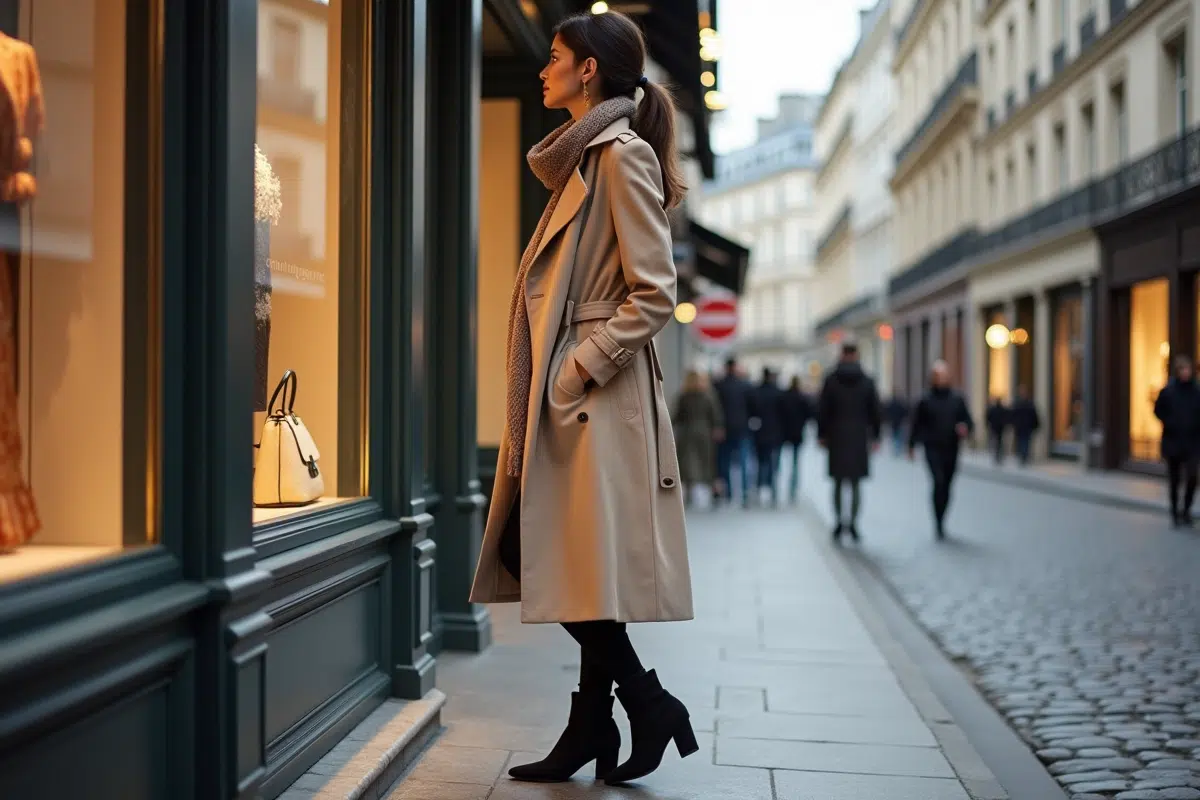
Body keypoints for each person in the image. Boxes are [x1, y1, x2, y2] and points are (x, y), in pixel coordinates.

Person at [468, 11, 698, 786]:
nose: (544, 68)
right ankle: (593, 726)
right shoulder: (583, 160)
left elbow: (655, 291)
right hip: (574, 398)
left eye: (556, 57)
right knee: (578, 565)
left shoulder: (619, 155)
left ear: (589, 70)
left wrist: (577, 369)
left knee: (534, 552)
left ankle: (646, 702)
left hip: (592, 397)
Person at [817, 343, 882, 542]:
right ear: (856, 355)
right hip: (858, 438)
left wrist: (822, 434)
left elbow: (822, 410)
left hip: (836, 437)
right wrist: (876, 436)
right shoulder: (867, 381)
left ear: (842, 355)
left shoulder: (831, 380)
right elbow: (876, 411)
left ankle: (839, 521)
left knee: (837, 483)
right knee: (854, 484)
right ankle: (853, 523)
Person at [908, 360, 974, 539]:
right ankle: (937, 522)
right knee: (938, 481)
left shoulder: (957, 399)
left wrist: (964, 427)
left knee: (947, 485)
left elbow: (968, 421)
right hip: (932, 447)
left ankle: (942, 518)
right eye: (939, 375)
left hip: (951, 448)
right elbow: (916, 424)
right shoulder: (925, 399)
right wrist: (911, 445)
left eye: (945, 375)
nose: (942, 379)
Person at [1153, 354, 1200, 526]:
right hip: (1173, 441)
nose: (1186, 372)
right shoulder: (1169, 391)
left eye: (1188, 369)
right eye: (1183, 369)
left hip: (1192, 442)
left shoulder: (1196, 391)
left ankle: (1186, 510)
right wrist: (1169, 422)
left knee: (1192, 476)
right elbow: (1158, 410)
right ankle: (1174, 512)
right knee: (1174, 479)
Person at [672, 369, 723, 507]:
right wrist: (717, 428)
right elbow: (715, 414)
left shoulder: (684, 396)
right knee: (706, 462)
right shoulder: (707, 395)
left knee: (688, 463)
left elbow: (676, 416)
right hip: (704, 433)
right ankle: (713, 492)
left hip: (687, 433)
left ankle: (689, 493)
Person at [712, 356, 754, 508]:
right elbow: (752, 408)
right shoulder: (745, 385)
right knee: (743, 462)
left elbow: (714, 408)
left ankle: (727, 493)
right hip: (742, 428)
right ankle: (744, 494)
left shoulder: (718, 385)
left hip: (723, 429)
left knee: (724, 462)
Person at [750, 366, 786, 506]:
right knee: (773, 464)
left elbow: (752, 411)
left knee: (760, 463)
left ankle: (759, 490)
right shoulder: (778, 393)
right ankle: (773, 492)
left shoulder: (756, 392)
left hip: (759, 433)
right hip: (776, 433)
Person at [780, 375, 814, 503]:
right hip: (797, 433)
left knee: (782, 460)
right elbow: (809, 415)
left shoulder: (784, 397)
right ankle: (793, 487)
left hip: (785, 433)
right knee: (795, 462)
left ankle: (780, 486)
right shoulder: (802, 398)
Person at [1009, 385, 1040, 466]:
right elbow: (1013, 415)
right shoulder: (1022, 403)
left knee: (1025, 442)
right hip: (1022, 427)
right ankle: (1023, 456)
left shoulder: (1024, 403)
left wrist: (1036, 425)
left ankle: (1023, 456)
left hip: (1025, 427)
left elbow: (1034, 415)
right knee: (1023, 442)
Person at [986, 396, 1009, 464]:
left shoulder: (993, 409)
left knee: (996, 441)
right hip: (1000, 428)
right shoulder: (1002, 409)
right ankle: (998, 455)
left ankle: (997, 455)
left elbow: (988, 417)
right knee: (999, 441)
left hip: (995, 427)